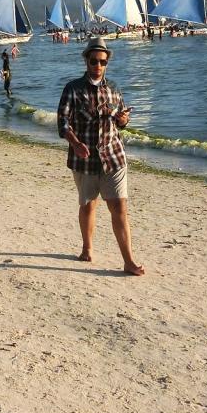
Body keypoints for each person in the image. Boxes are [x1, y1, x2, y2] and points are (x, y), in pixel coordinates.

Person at [56, 38, 143, 276]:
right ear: (86, 60)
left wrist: (123, 120)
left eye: (102, 62)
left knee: (119, 207)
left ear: (107, 63)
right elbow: (62, 123)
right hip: (84, 160)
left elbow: (121, 121)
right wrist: (76, 143)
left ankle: (128, 261)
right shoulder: (73, 89)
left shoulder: (113, 88)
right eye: (93, 61)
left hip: (113, 156)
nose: (98, 66)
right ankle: (87, 248)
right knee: (88, 206)